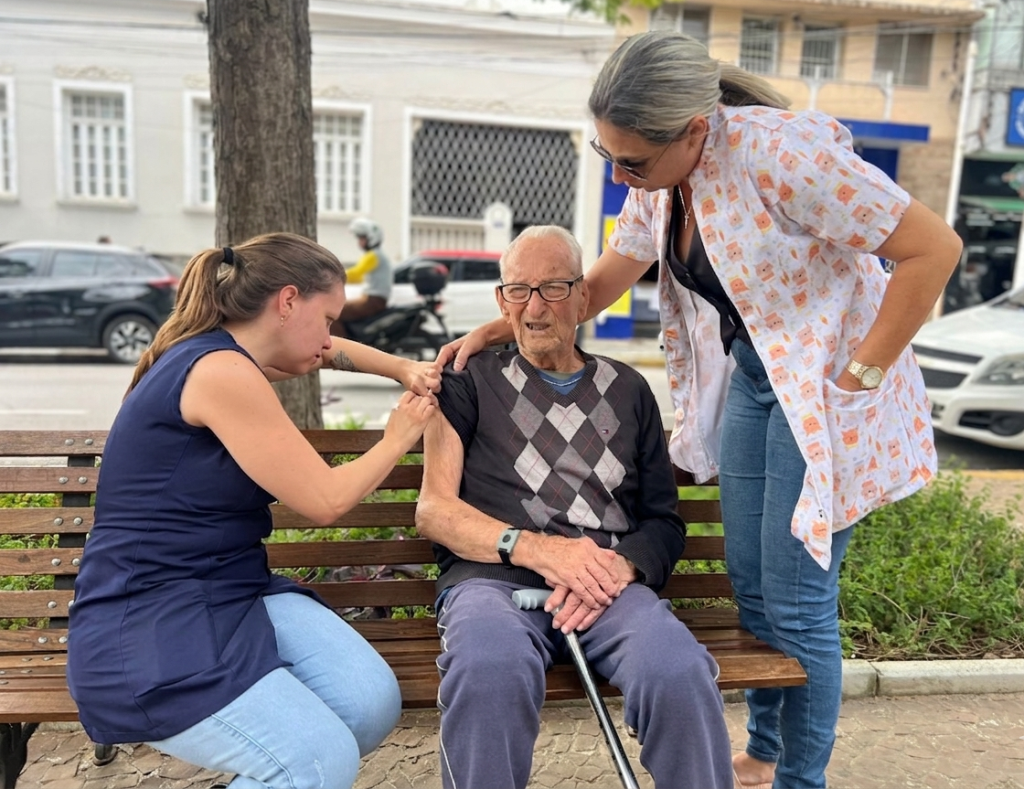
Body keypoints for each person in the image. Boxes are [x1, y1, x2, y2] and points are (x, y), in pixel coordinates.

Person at [439, 32, 963, 789]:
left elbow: (934, 248)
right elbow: (609, 274)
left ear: (694, 129)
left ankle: (798, 778)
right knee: (750, 582)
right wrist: (510, 318)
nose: (620, 175)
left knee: (798, 594)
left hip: (822, 388)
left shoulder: (779, 155)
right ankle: (765, 744)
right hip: (754, 378)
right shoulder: (662, 180)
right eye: (605, 156)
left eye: (633, 161)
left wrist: (857, 378)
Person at [66, 232, 439, 789]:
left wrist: (403, 369)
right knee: (318, 760)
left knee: (368, 703)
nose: (331, 335)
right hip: (150, 617)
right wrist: (398, 436)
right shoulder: (220, 372)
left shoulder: (227, 353)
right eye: (329, 316)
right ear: (288, 302)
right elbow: (325, 500)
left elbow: (324, 353)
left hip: (230, 591)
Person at [416, 225, 733, 789]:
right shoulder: (466, 383)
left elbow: (663, 521)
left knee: (679, 672)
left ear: (584, 296)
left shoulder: (630, 389)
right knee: (488, 670)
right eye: (519, 290)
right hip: (493, 582)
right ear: (501, 301)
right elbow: (435, 511)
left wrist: (621, 566)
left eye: (554, 288)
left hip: (603, 585)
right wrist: (538, 551)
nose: (535, 308)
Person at [332, 216, 392, 334]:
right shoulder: (377, 255)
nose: (359, 242)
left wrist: (332, 278)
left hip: (372, 300)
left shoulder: (373, 256)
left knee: (334, 312)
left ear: (371, 238)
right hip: (372, 299)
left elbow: (356, 273)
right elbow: (359, 277)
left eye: (362, 238)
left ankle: (342, 349)